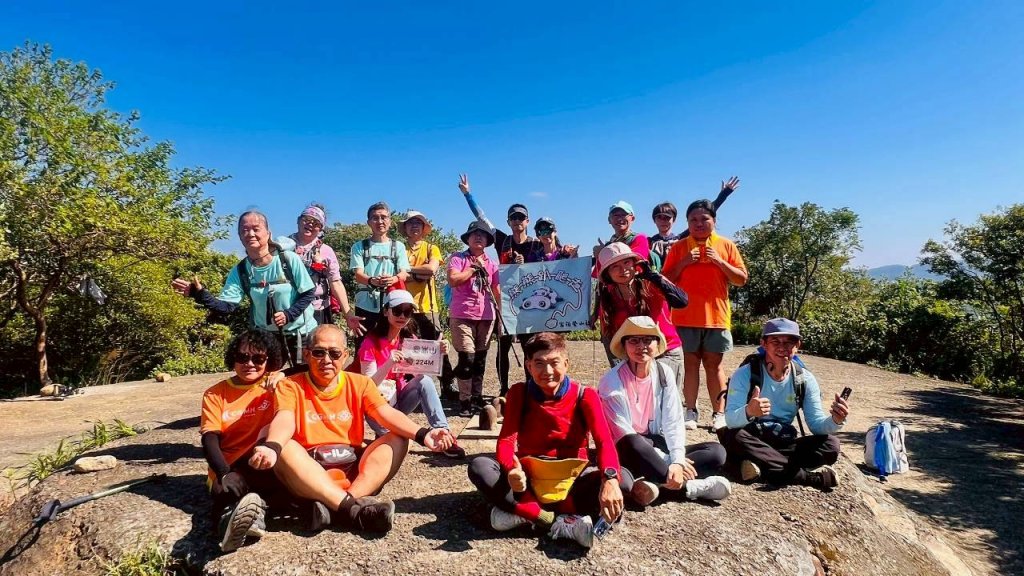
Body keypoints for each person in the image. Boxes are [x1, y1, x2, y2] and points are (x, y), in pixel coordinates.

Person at [247, 324, 455, 534]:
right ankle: (354, 511)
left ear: (345, 356)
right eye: (319, 352)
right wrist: (272, 446)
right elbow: (285, 418)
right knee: (284, 447)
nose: (327, 360)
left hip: (351, 466)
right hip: (308, 468)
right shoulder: (290, 385)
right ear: (307, 354)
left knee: (400, 438)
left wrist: (423, 434)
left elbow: (386, 414)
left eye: (335, 353)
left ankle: (333, 506)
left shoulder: (360, 383)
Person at [467, 332, 631, 549]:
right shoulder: (519, 392)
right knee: (480, 466)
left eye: (554, 363)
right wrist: (511, 470)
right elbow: (506, 440)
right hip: (529, 479)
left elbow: (604, 442)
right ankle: (556, 521)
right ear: (528, 366)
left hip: (571, 479)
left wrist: (610, 479)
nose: (547, 371)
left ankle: (525, 513)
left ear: (566, 363)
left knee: (624, 481)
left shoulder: (585, 395)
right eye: (539, 363)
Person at [597, 317, 731, 506]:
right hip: (628, 449)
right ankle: (689, 489)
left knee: (716, 452)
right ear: (624, 345)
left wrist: (677, 460)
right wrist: (673, 464)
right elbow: (623, 434)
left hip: (656, 443)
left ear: (657, 343)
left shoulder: (663, 372)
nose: (641, 346)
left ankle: (653, 484)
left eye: (647, 340)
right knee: (627, 474)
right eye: (634, 340)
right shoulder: (611, 382)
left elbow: (673, 420)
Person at [172, 210, 317, 365]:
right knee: (266, 382)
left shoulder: (288, 260)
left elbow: (308, 293)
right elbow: (227, 307)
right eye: (244, 230)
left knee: (303, 382)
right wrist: (200, 294)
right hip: (266, 336)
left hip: (302, 333)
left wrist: (288, 314)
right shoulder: (241, 270)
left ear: (268, 233)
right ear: (240, 237)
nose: (250, 234)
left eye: (256, 229)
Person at [719, 318, 848, 489]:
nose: (782, 347)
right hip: (751, 437)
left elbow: (816, 425)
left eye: (789, 342)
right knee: (732, 435)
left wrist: (835, 421)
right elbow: (730, 419)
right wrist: (749, 411)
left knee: (831, 445)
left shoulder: (804, 379)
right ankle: (807, 477)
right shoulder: (745, 374)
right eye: (775, 341)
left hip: (782, 442)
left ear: (798, 345)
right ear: (763, 344)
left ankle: (760, 466)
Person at [662, 199, 748, 432]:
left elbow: (741, 279)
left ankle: (719, 413)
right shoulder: (679, 247)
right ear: (687, 223)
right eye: (693, 220)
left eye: (704, 219)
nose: (699, 223)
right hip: (684, 317)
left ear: (714, 221)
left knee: (715, 366)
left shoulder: (726, 245)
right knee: (690, 366)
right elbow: (665, 279)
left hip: (716, 317)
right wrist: (685, 262)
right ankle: (690, 411)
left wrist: (719, 261)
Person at [200, 329, 285, 552]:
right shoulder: (216, 393)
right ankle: (231, 522)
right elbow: (209, 439)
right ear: (233, 358)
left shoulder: (274, 385)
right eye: (242, 357)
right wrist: (223, 472)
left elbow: (311, 369)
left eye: (258, 359)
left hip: (263, 459)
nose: (250, 364)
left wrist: (284, 374)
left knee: (286, 478)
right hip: (230, 466)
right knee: (227, 492)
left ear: (269, 361)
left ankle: (253, 513)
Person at [457, 173, 543, 394]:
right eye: (513, 218)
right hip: (505, 302)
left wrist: (525, 264)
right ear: (508, 222)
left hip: (530, 304)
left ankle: (529, 389)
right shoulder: (502, 240)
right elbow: (482, 218)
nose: (517, 222)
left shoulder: (536, 244)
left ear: (527, 221)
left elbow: (547, 267)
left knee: (528, 348)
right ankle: (503, 391)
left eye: (521, 218)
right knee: (502, 349)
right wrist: (468, 194)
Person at [356, 290, 466, 458]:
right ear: (386, 311)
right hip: (377, 406)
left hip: (398, 401)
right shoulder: (370, 343)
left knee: (425, 381)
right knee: (395, 441)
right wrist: (389, 363)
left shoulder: (409, 339)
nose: (402, 316)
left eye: (407, 312)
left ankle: (444, 433)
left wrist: (436, 352)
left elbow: (418, 372)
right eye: (397, 310)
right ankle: (389, 432)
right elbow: (367, 387)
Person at [594, 243, 688, 379]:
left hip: (666, 352)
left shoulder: (651, 284)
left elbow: (682, 301)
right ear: (607, 273)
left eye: (627, 262)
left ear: (635, 263)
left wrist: (653, 276)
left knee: (667, 399)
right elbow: (610, 334)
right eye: (615, 266)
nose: (623, 269)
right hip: (634, 357)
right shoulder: (609, 297)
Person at [398, 210, 456, 398]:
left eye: (418, 223)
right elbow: (397, 271)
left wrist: (408, 272)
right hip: (403, 307)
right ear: (405, 227)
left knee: (438, 347)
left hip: (428, 306)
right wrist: (418, 273)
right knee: (405, 347)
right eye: (410, 222)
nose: (414, 225)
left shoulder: (432, 248)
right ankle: (408, 387)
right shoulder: (399, 249)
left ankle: (448, 385)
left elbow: (431, 269)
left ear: (424, 228)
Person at [447, 221, 501, 416]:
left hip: (487, 316)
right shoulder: (457, 258)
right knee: (467, 356)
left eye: (483, 235)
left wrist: (503, 317)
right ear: (468, 238)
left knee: (480, 359)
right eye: (474, 234)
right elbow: (453, 280)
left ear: (487, 240)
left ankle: (477, 397)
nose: (478, 237)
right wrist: (471, 270)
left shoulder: (492, 264)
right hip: (462, 314)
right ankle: (465, 400)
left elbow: (497, 290)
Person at [289, 204, 363, 334]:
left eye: (316, 223)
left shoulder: (326, 251)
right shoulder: (282, 246)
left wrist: (348, 314)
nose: (310, 225)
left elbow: (335, 282)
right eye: (306, 219)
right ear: (298, 220)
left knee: (319, 350)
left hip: (319, 310)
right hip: (289, 308)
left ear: (321, 228)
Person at [350, 201, 411, 353]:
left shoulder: (399, 246)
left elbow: (404, 273)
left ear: (390, 221)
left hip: (391, 305)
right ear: (368, 222)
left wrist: (394, 279)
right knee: (363, 345)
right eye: (375, 218)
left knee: (390, 343)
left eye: (384, 217)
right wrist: (371, 281)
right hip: (365, 304)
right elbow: (358, 274)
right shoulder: (359, 246)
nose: (380, 221)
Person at [648, 176, 740, 265]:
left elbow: (706, 212)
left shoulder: (679, 240)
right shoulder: (648, 242)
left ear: (674, 220)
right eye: (659, 217)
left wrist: (723, 194)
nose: (663, 221)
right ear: (654, 220)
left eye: (667, 217)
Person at [592, 201, 649, 277]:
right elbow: (598, 275)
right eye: (615, 215)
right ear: (609, 220)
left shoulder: (640, 239)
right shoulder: (609, 245)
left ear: (632, 218)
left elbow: (636, 266)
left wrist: (602, 253)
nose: (619, 218)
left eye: (623, 215)